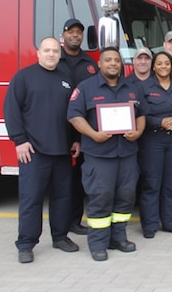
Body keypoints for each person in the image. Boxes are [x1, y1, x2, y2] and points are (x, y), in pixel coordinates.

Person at [67, 47, 147, 262]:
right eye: (108, 60)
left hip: (127, 154)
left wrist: (137, 132)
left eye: (117, 60)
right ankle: (98, 243)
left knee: (126, 197)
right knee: (101, 197)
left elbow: (141, 114)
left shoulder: (132, 88)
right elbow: (74, 116)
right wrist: (93, 134)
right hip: (99, 155)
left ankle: (118, 238)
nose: (113, 63)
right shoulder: (86, 88)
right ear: (99, 64)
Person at [4, 37, 80, 264]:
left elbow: (73, 113)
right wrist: (19, 141)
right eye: (47, 50)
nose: (51, 54)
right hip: (34, 152)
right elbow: (11, 110)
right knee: (31, 199)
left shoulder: (66, 80)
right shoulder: (23, 77)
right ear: (38, 53)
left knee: (63, 198)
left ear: (60, 54)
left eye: (55, 51)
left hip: (62, 152)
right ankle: (26, 243)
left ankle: (60, 236)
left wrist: (76, 139)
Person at [138, 51, 172, 239]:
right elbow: (140, 115)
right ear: (153, 66)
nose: (163, 66)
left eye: (167, 63)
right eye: (159, 63)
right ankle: (150, 225)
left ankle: (171, 222)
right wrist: (158, 122)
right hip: (153, 140)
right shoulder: (144, 87)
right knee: (152, 183)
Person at [58, 18, 98, 236]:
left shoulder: (90, 63)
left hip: (82, 133)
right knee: (60, 180)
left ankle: (74, 221)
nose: (75, 35)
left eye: (79, 32)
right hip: (56, 130)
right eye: (70, 32)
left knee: (77, 182)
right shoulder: (55, 60)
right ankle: (61, 224)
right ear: (63, 35)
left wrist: (81, 137)